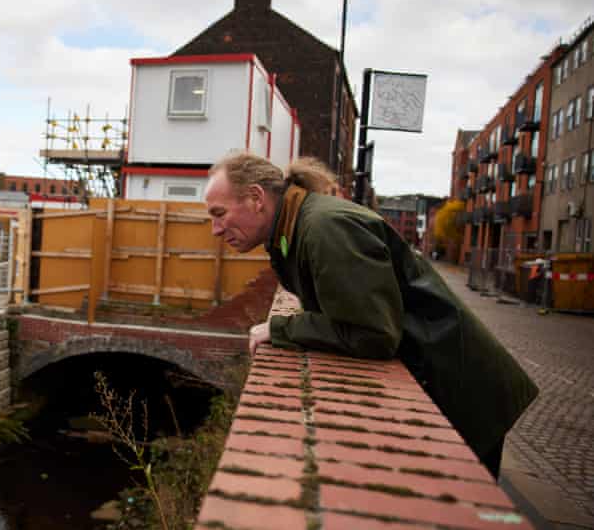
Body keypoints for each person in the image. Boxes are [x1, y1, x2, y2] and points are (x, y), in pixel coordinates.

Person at [203, 151, 538, 479]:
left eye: (220, 213)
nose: (215, 230)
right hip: (448, 380)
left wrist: (281, 328)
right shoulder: (299, 226)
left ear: (256, 198)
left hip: (464, 392)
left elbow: (372, 333)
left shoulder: (323, 228)